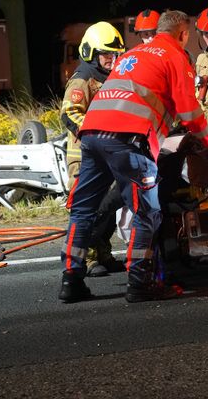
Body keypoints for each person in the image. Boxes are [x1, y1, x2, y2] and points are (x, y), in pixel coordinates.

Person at [59, 10, 208, 304]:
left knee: (83, 210)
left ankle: (71, 280)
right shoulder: (176, 56)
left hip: (93, 134)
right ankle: (139, 282)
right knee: (147, 210)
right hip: (128, 140)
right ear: (183, 34)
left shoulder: (132, 54)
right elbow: (189, 111)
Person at [61, 21, 127, 278]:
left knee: (108, 208)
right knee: (87, 208)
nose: (112, 60)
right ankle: (87, 260)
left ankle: (104, 253)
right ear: (90, 53)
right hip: (84, 156)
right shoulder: (82, 80)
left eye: (115, 55)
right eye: (107, 55)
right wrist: (96, 136)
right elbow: (69, 114)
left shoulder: (113, 78)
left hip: (109, 153)